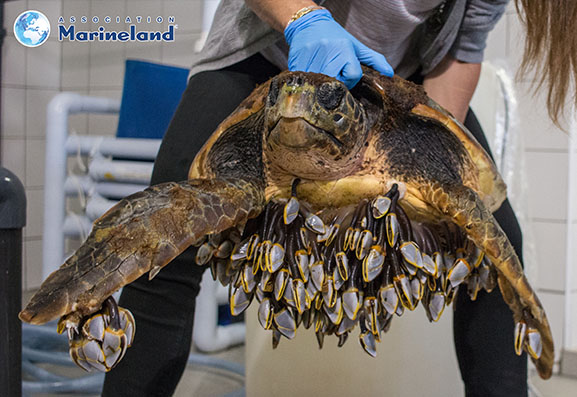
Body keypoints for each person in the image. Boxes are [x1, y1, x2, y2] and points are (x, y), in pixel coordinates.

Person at [101, 0, 568, 395]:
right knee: (160, 247)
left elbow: (461, 52)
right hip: (270, 50)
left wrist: (428, 160)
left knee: (494, 246)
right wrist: (303, 18)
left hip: (390, 85)